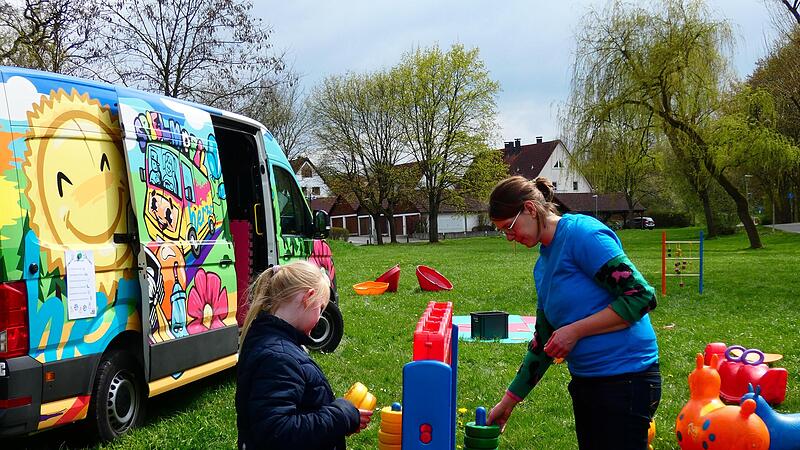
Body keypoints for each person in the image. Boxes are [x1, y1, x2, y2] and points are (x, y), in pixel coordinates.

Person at [486, 176, 660, 450]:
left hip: (627, 380)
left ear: (530, 209)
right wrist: (508, 402)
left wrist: (575, 330)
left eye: (509, 227)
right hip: (587, 383)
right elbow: (543, 342)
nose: (510, 237)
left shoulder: (582, 235)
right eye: (502, 232)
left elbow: (641, 296)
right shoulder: (542, 268)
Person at [235, 261, 372, 450]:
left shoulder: (268, 340)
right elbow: (278, 433)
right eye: (321, 309)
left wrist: (336, 421)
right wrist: (340, 416)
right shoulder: (279, 358)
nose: (319, 319)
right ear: (308, 298)